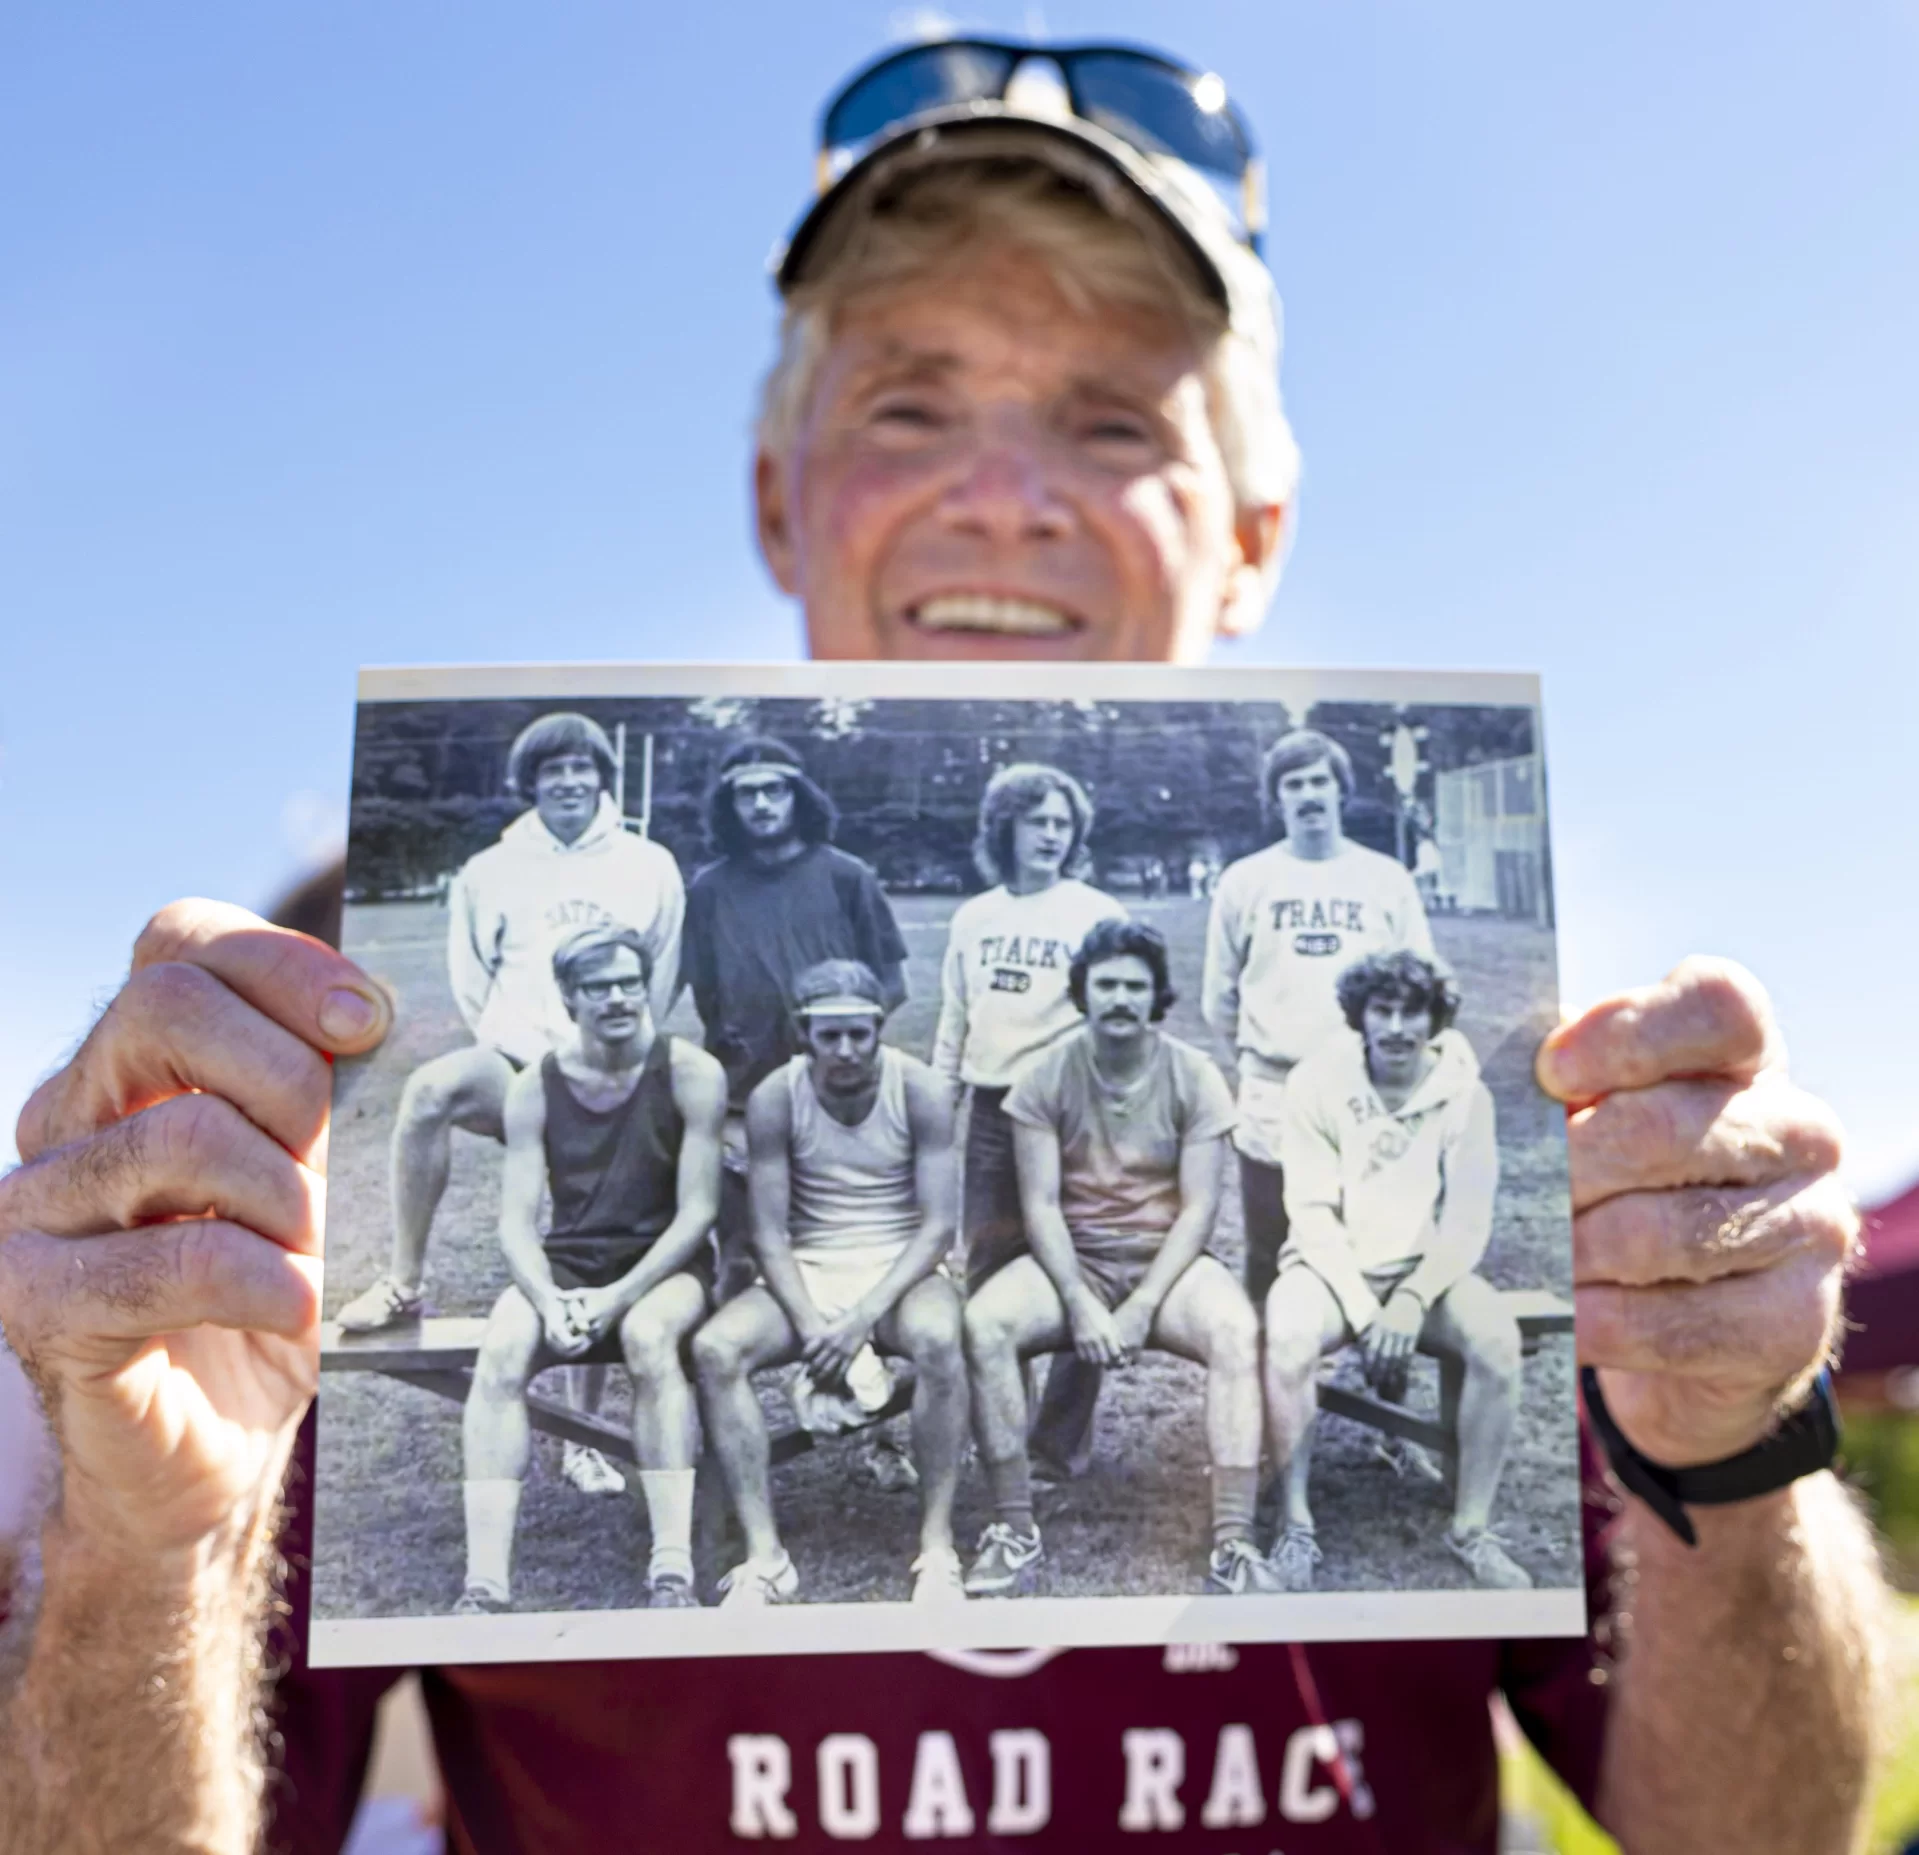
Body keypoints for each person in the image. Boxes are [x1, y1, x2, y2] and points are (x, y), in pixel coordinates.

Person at [0, 36, 1881, 1855]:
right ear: (773, 494)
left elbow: (1760, 1833)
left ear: (1249, 536)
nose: (1002, 493)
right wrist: (133, 1545)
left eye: (1110, 420)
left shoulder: (1551, 1070)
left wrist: (1734, 1435)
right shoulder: (342, 1070)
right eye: (907, 404)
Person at [336, 709, 685, 1494]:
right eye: (550, 770)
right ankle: (404, 1278)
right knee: (429, 1089)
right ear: (529, 783)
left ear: (602, 777)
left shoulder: (648, 862)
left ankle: (586, 1437)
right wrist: (519, 1048)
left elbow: (661, 970)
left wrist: (614, 1059)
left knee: (595, 1226)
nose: (567, 782)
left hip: (614, 1072)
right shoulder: (490, 867)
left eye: (581, 768)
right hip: (517, 1063)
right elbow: (470, 975)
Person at [963, 919, 1280, 1599]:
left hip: (1164, 1263)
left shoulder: (1193, 1073)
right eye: (1104, 983)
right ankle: (1012, 1525)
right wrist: (1079, 1300)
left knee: (1233, 1328)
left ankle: (1233, 1538)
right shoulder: (1042, 1073)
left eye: (1135, 986)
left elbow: (1198, 1208)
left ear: (1156, 995)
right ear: (1081, 991)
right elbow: (1040, 1204)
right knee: (986, 1322)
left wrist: (1138, 1306)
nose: (1119, 999)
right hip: (1073, 1260)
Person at [457, 925, 726, 1614]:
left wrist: (618, 1296)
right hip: (571, 1262)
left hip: (665, 1265)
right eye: (598, 986)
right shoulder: (536, 1086)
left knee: (648, 1338)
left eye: (629, 982)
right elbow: (517, 1222)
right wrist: (548, 1299)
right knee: (501, 1349)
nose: (617, 997)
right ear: (569, 997)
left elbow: (696, 1214)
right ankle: (485, 1581)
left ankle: (671, 1569)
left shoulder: (691, 1071)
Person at [692, 961, 968, 1606]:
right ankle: (767, 1556)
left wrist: (863, 1319)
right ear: (803, 1035)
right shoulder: (774, 1097)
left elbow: (937, 1230)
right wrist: (816, 1325)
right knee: (716, 1349)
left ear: (879, 1029)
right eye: (829, 1037)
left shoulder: (921, 1088)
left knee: (938, 1337)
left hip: (901, 1266)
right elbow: (768, 1234)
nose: (845, 1051)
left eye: (859, 1035)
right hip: (812, 1266)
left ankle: (936, 1547)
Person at [1262, 950, 1528, 1594]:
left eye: (1414, 1011)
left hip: (1426, 1275)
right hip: (1330, 1268)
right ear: (1359, 1016)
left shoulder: (1466, 1093)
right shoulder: (1315, 1083)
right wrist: (1364, 1309)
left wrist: (1409, 1299)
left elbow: (1467, 1222)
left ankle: (1471, 1527)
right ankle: (1295, 1524)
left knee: (1496, 1340)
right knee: (1290, 1335)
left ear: (1436, 1019)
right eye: (1383, 1010)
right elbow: (1311, 1211)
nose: (1398, 1027)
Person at [931, 762, 1124, 1476]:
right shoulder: (974, 916)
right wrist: (941, 1096)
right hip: (989, 1108)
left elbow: (1119, 1020)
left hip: (1070, 1111)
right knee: (988, 1268)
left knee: (1080, 1266)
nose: (1049, 835)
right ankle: (1001, 1431)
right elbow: (956, 1014)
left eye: (1061, 824)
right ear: (1003, 827)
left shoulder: (1094, 912)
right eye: (1035, 821)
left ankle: (1058, 1441)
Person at [1203, 730, 1435, 1310]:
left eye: (1319, 781)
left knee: (1379, 1240)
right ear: (1276, 798)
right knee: (1269, 1246)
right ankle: (1263, 1378)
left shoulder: (1385, 878)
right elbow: (1219, 996)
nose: (1308, 795)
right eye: (1293, 784)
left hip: (1369, 1089)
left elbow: (1423, 984)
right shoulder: (1245, 880)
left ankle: (1383, 1371)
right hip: (1274, 1088)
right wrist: (1261, 1056)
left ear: (1341, 792)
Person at [681, 735, 908, 1285]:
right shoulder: (710, 889)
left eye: (775, 790)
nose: (761, 804)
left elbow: (891, 983)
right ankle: (729, 1362)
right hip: (741, 1095)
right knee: (740, 1248)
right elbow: (708, 993)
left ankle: (855, 1364)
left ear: (798, 796)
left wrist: (834, 1045)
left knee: (841, 1242)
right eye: (747, 794)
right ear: (728, 805)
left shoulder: (846, 876)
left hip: (836, 1095)